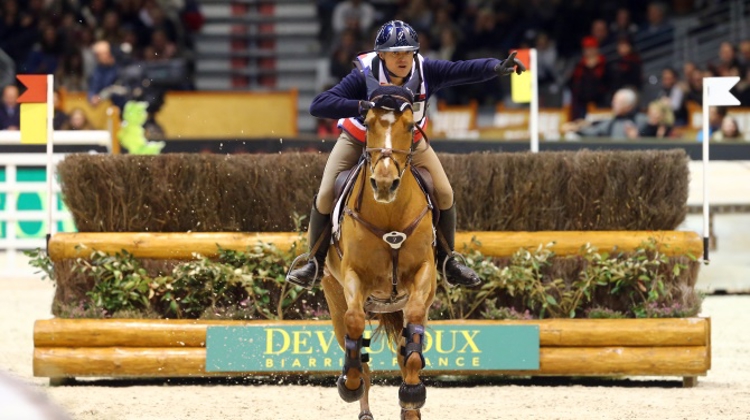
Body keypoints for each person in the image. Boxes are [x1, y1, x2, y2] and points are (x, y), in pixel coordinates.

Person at [285, 20, 525, 288]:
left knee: (445, 192)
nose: (403, 58)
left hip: (408, 144)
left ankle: (449, 261)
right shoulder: (363, 75)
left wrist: (495, 67)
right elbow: (319, 105)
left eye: (408, 51)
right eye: (396, 52)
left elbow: (462, 70)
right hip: (360, 140)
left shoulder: (426, 70)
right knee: (327, 192)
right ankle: (314, 263)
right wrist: (360, 105)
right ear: (382, 55)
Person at [562, 88, 647, 140]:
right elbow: (596, 132)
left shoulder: (641, 119)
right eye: (614, 101)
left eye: (617, 102)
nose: (613, 104)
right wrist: (577, 129)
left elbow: (649, 133)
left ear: (629, 106)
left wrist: (638, 136)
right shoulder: (612, 122)